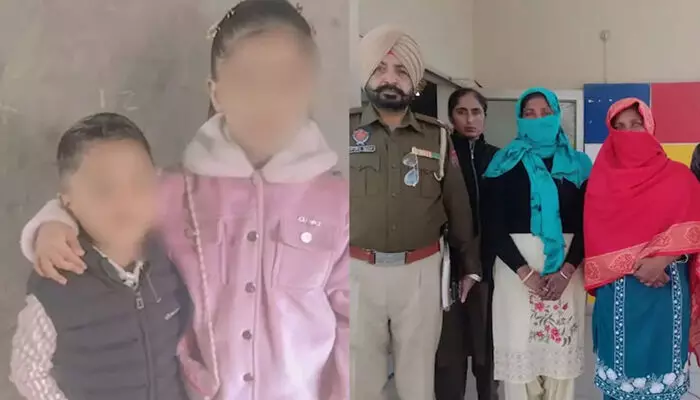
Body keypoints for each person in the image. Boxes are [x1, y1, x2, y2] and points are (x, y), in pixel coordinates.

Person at [17, 1, 349, 399]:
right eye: (247, 80)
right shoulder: (178, 190)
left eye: (286, 81)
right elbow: (109, 201)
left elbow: (351, 322)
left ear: (309, 87)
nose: (266, 99)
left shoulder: (338, 203)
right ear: (216, 92)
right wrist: (53, 223)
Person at [10, 113, 190, 400]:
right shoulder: (58, 283)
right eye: (104, 189)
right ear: (66, 202)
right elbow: (28, 370)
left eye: (139, 182)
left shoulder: (171, 255)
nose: (125, 200)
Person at [350, 25, 480, 400]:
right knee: (360, 378)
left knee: (418, 377)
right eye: (380, 68)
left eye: (401, 70)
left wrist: (469, 266)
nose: (390, 79)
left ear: (415, 82)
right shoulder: (342, 130)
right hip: (355, 271)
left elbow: (457, 204)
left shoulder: (436, 136)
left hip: (420, 273)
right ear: (366, 75)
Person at [584, 98, 700, 400]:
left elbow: (695, 225)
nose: (629, 133)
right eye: (619, 127)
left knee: (663, 373)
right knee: (620, 380)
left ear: (649, 127)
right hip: (618, 292)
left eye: (635, 124)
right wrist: (639, 266)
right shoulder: (601, 181)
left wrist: (662, 260)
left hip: (667, 292)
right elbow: (596, 236)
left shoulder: (679, 177)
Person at [482, 87, 591, 400]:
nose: (538, 118)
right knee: (520, 351)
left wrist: (566, 271)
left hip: (566, 270)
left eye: (545, 112)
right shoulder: (503, 163)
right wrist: (525, 272)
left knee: (560, 358)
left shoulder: (579, 164)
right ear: (519, 119)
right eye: (529, 113)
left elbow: (589, 223)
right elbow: (491, 223)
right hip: (515, 271)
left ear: (557, 116)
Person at [435, 88, 499, 400]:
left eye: (476, 112)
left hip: (490, 268)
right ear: (451, 117)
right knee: (449, 353)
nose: (470, 119)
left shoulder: (499, 158)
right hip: (448, 267)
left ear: (485, 117)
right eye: (462, 112)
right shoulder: (440, 155)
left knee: (488, 352)